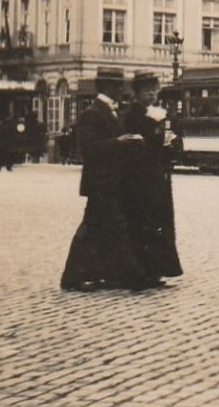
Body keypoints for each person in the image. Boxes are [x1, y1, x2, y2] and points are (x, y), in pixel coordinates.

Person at [60, 91, 160, 291]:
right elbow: (87, 149)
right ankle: (76, 277)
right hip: (98, 182)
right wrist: (119, 142)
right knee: (95, 229)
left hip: (111, 181)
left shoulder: (113, 112)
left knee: (102, 229)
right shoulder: (91, 113)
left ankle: (106, 274)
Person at [121, 75, 183, 283]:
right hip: (139, 177)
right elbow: (134, 146)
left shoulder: (159, 115)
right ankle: (141, 271)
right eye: (148, 91)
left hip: (157, 174)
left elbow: (168, 143)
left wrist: (171, 144)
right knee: (143, 223)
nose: (152, 95)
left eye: (155, 91)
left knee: (158, 221)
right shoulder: (132, 115)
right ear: (137, 93)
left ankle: (156, 268)